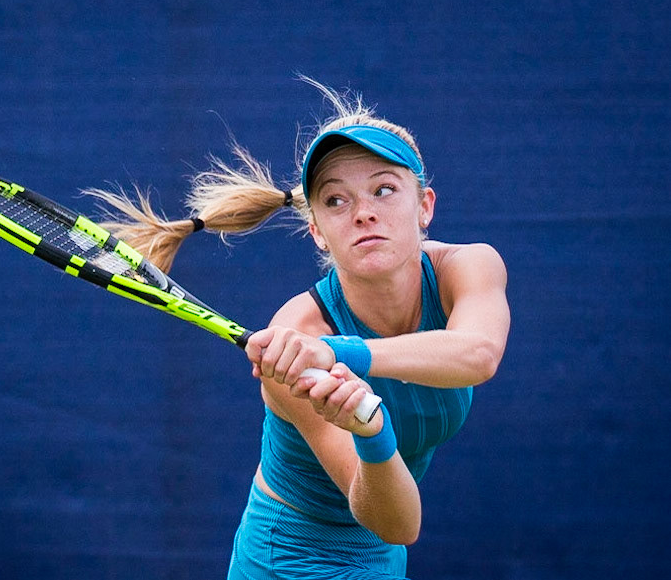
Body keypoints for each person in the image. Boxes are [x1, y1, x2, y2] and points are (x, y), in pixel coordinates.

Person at [92, 78, 511, 579]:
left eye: (384, 189)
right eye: (335, 201)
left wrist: (341, 354)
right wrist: (370, 430)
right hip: (288, 556)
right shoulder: (296, 331)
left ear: (424, 206)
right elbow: (397, 522)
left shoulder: (467, 268)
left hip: (381, 556)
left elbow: (478, 354)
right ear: (317, 231)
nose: (364, 213)